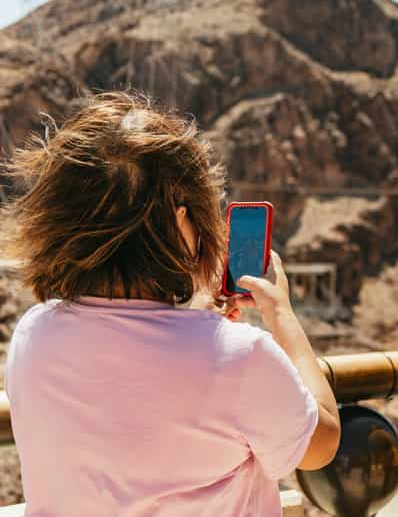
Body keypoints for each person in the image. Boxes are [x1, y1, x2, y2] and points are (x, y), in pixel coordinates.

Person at [2, 92, 340, 516]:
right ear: (183, 221)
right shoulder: (240, 356)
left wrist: (194, 323)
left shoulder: (34, 333)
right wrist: (282, 314)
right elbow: (322, 443)